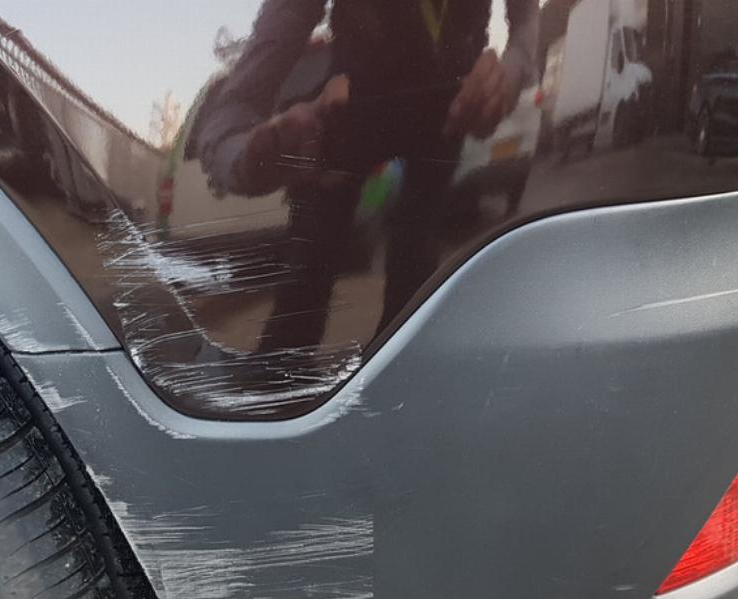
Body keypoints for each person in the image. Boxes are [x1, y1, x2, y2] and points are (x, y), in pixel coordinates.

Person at [194, 0, 538, 355]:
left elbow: (526, 18)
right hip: (349, 108)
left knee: (414, 262)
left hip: (445, 112)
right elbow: (229, 116)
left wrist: (507, 77)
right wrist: (255, 161)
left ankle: (397, 359)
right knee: (308, 271)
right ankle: (284, 363)